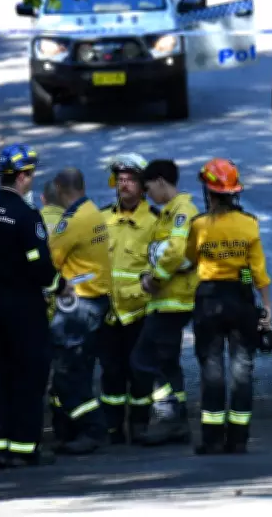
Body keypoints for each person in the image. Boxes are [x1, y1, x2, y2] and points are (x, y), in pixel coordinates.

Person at [0, 143, 71, 469]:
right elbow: (40, 265)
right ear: (24, 176)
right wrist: (59, 285)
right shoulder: (27, 217)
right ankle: (24, 448)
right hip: (25, 307)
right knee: (29, 374)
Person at [185, 159, 272, 455]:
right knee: (242, 370)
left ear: (208, 193)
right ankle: (238, 440)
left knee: (212, 369)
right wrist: (267, 306)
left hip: (209, 299)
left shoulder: (198, 225)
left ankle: (211, 439)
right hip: (241, 299)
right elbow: (254, 270)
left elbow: (193, 258)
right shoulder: (249, 225)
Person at [131, 160, 199, 446]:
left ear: (160, 182)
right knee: (168, 362)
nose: (148, 196)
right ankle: (178, 421)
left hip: (174, 300)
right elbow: (160, 253)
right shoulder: (169, 213)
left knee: (142, 360)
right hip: (167, 300)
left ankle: (169, 416)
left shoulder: (182, 212)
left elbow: (175, 253)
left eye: (148, 189)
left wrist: (155, 279)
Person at [47, 167, 113, 455]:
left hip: (78, 306)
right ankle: (76, 430)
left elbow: (49, 258)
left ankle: (92, 428)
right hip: (95, 302)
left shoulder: (71, 221)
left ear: (60, 188)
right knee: (81, 370)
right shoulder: (94, 212)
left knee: (67, 372)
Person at [99, 153, 159, 444]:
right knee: (111, 372)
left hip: (141, 312)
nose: (124, 185)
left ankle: (140, 424)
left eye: (130, 180)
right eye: (120, 180)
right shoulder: (101, 219)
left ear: (143, 185)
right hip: (109, 312)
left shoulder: (156, 222)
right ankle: (111, 427)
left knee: (141, 372)